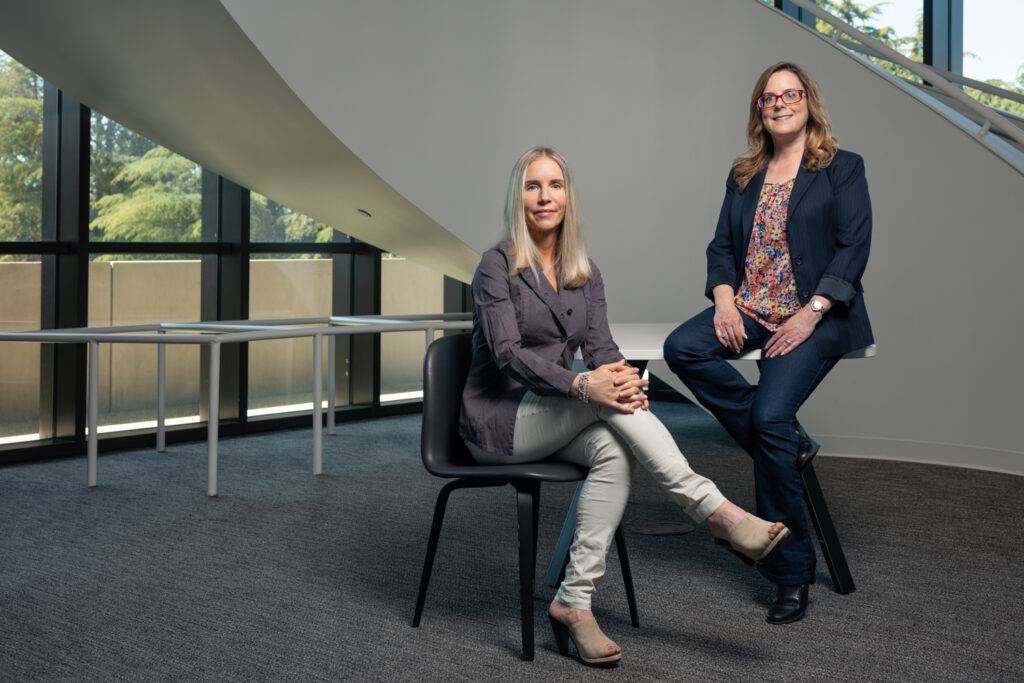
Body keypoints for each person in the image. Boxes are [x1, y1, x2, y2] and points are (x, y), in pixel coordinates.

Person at [459, 146, 790, 666]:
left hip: (559, 413)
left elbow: (603, 350)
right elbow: (507, 356)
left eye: (555, 186)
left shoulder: (584, 270)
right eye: (532, 186)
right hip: (500, 422)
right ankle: (716, 511)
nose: (545, 197)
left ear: (568, 196)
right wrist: (587, 387)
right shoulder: (496, 266)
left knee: (616, 449)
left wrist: (623, 380)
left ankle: (574, 602)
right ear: (517, 197)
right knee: (604, 401)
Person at [663, 62, 873, 625]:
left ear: (809, 101)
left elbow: (853, 248)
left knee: (771, 420)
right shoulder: (743, 174)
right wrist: (726, 300)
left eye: (791, 93)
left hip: (813, 316)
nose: (780, 103)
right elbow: (719, 249)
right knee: (683, 347)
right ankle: (791, 447)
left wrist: (812, 313)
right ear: (759, 108)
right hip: (751, 307)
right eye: (769, 97)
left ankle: (790, 572)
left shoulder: (841, 168)